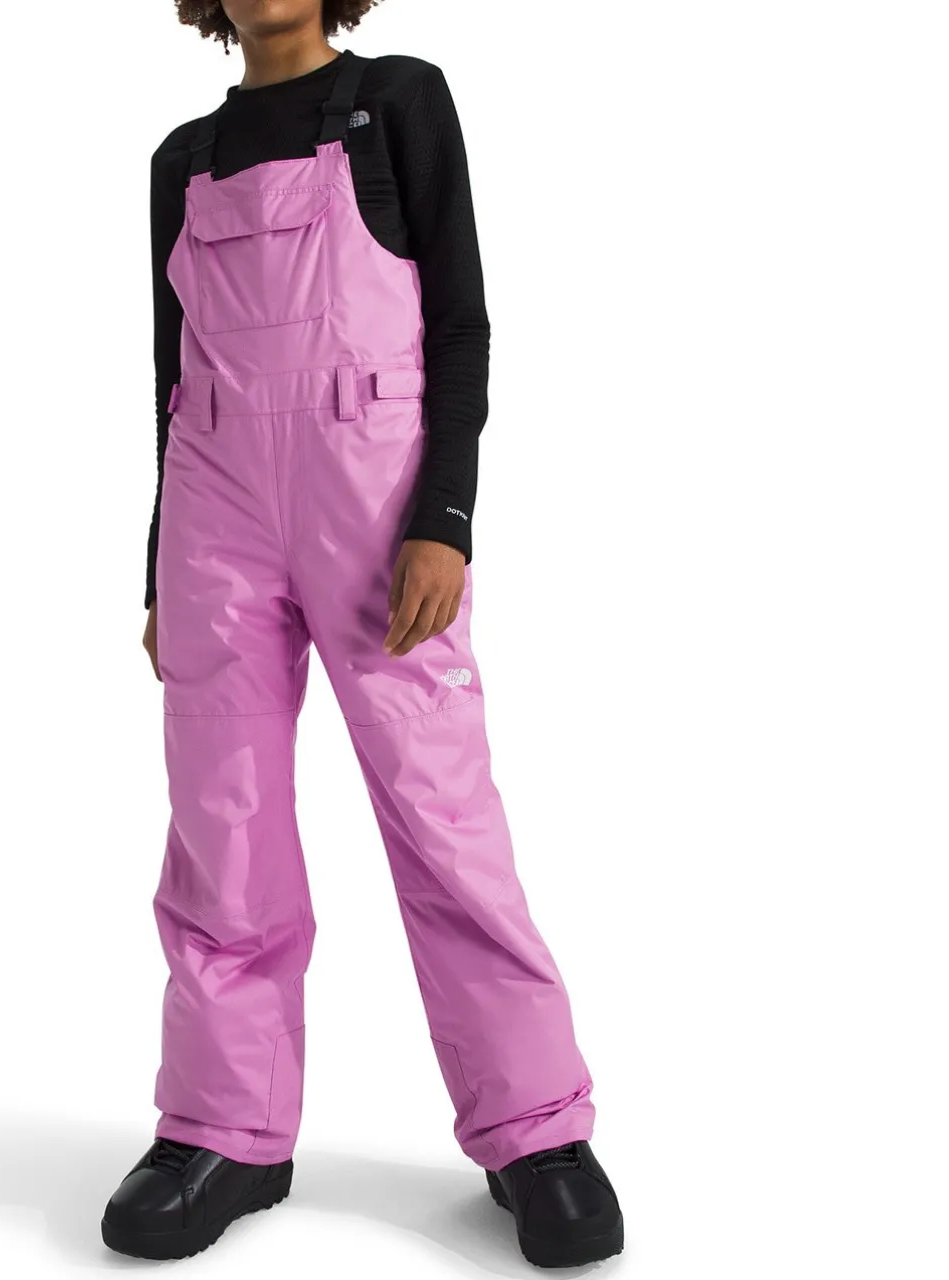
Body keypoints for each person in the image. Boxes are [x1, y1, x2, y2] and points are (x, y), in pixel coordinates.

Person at [102, 1, 624, 1267]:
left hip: (374, 497)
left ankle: (534, 1130)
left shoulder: (397, 102)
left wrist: (442, 514)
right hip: (214, 509)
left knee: (439, 809)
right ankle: (222, 1128)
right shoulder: (180, 160)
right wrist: (160, 560)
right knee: (219, 819)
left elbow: (458, 323)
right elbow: (170, 379)